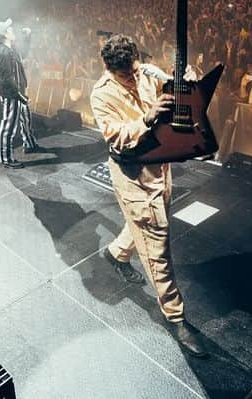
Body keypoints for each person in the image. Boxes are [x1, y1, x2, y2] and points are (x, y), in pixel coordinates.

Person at [89, 33, 208, 358]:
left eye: (135, 68)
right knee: (157, 242)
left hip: (160, 165)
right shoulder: (101, 95)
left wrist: (186, 82)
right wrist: (148, 117)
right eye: (126, 73)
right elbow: (116, 137)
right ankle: (176, 316)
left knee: (145, 222)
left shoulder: (146, 72)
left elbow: (175, 89)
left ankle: (116, 254)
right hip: (132, 173)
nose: (133, 76)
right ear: (108, 67)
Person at [0, 18, 43, 168]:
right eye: (9, 29)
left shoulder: (10, 50)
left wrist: (27, 38)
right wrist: (20, 96)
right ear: (4, 34)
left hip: (18, 91)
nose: (13, 30)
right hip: (11, 94)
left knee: (25, 119)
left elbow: (24, 54)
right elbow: (6, 79)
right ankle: (6, 158)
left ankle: (30, 144)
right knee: (8, 126)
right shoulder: (3, 53)